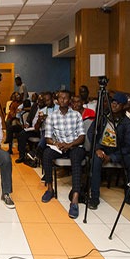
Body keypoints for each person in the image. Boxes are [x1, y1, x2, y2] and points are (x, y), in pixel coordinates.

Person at [88, 92, 130, 211]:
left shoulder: (126, 123)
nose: (114, 105)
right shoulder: (103, 117)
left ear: (123, 106)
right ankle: (94, 197)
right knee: (95, 161)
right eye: (113, 102)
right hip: (102, 148)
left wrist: (113, 157)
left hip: (118, 152)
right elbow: (91, 133)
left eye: (117, 103)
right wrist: (97, 148)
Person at [41, 90, 86, 219]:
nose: (62, 100)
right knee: (46, 154)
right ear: (57, 100)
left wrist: (70, 144)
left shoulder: (76, 115)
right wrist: (56, 143)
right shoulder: (52, 116)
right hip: (59, 146)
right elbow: (48, 138)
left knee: (76, 158)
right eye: (60, 98)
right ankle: (50, 189)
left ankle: (75, 199)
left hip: (75, 146)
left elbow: (82, 137)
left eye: (65, 98)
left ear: (69, 100)